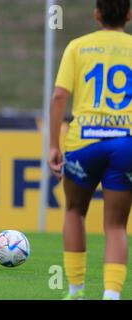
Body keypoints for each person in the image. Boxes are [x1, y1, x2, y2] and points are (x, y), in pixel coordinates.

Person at [49, 0, 132, 300]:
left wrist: (53, 145)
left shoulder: (78, 46)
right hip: (125, 142)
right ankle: (111, 295)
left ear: (97, 14)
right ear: (129, 14)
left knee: (74, 211)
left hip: (83, 141)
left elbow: (59, 96)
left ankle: (75, 291)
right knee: (116, 224)